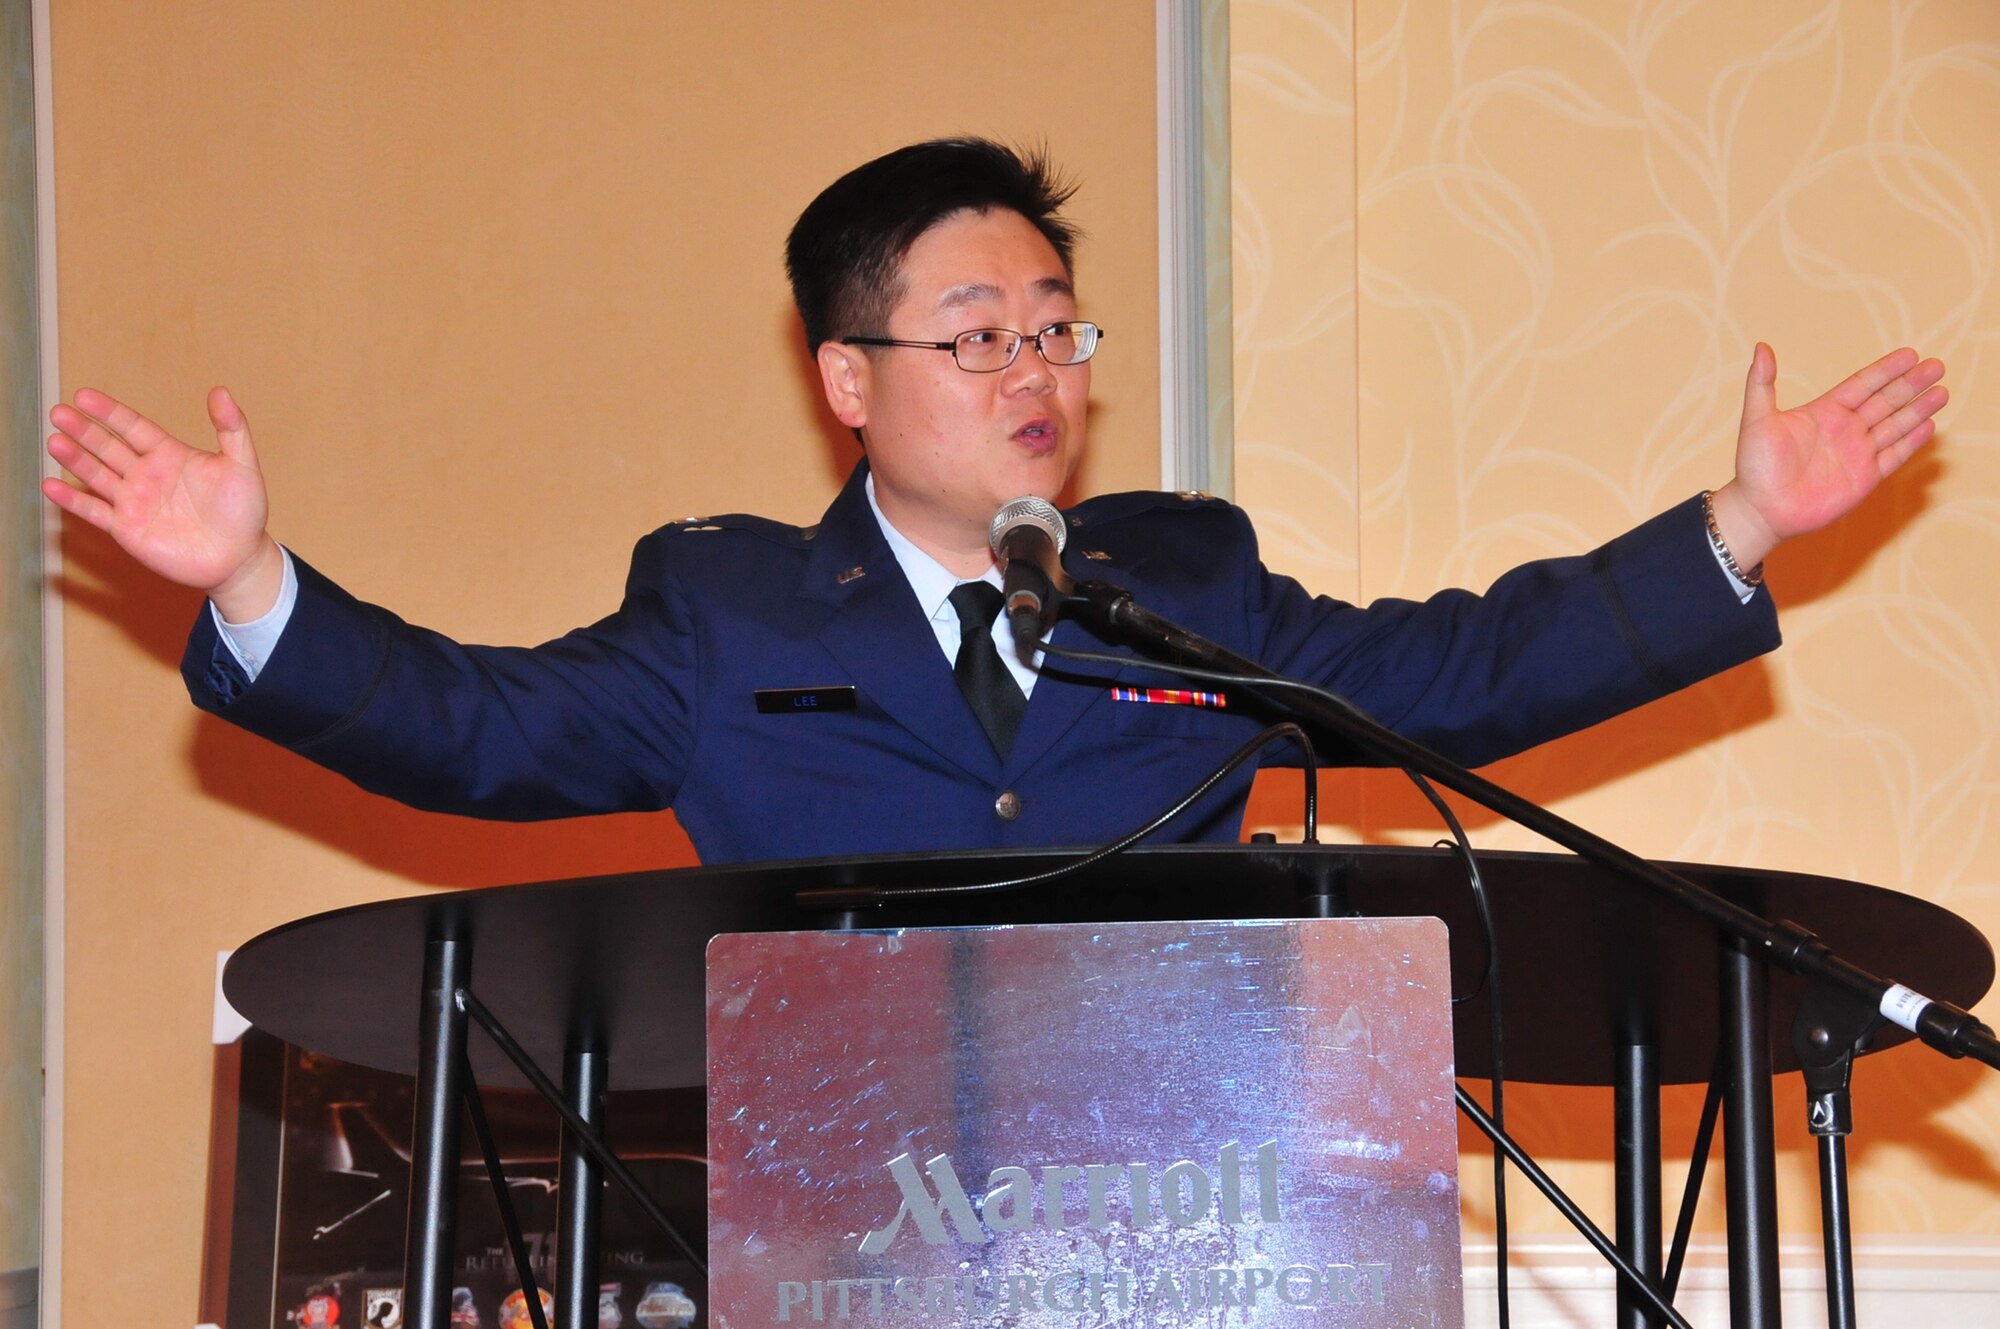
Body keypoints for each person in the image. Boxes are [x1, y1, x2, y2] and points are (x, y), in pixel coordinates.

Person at [41, 139, 1948, 864]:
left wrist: (1738, 529)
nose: (1041, 372)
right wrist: (258, 580)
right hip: (847, 1216)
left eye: (1059, 326)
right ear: (848, 383)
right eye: (980, 335)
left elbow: (1449, 677)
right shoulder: (725, 614)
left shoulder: (1179, 577)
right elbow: (471, 730)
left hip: (1198, 1202)